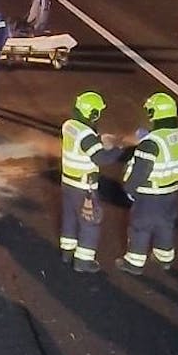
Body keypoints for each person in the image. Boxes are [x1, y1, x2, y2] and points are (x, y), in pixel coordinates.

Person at [120, 92, 178, 275]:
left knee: (140, 227)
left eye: (150, 112)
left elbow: (141, 171)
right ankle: (164, 257)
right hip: (171, 191)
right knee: (165, 225)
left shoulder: (151, 143)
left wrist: (129, 189)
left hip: (149, 194)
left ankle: (134, 262)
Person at [59, 91, 127, 273]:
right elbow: (101, 158)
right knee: (90, 222)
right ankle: (84, 260)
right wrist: (119, 148)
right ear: (92, 114)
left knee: (70, 218)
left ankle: (67, 252)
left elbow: (86, 140)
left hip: (68, 183)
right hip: (84, 188)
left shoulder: (69, 126)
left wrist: (101, 138)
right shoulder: (86, 136)